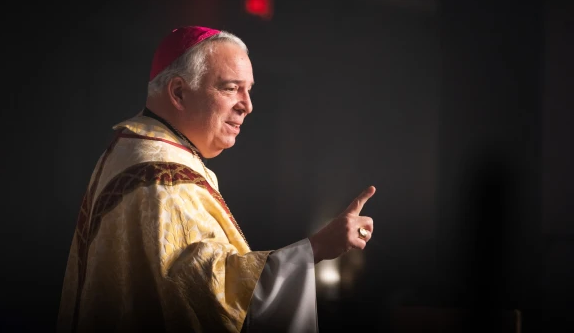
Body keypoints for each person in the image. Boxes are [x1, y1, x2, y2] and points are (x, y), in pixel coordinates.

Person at [57, 26, 376, 332]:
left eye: (249, 90)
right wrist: (317, 248)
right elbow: (211, 303)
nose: (247, 106)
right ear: (179, 92)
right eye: (230, 88)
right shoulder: (163, 179)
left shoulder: (131, 147)